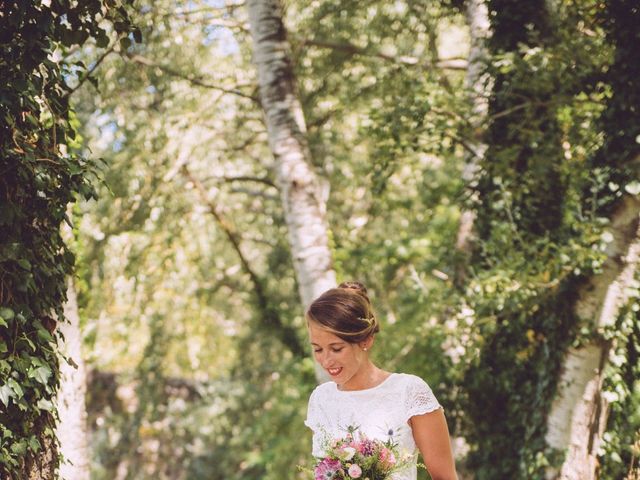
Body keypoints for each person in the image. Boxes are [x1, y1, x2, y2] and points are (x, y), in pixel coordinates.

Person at [304, 281, 458, 480]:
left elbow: (445, 477)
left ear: (366, 340)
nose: (325, 360)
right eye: (317, 349)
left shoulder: (409, 392)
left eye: (336, 348)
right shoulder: (321, 398)